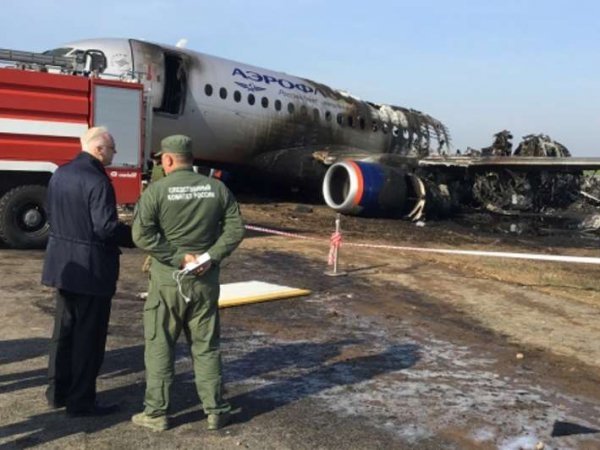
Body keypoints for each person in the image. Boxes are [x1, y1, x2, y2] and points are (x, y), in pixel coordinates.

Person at [131, 135, 244, 432]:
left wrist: (179, 258)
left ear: (168, 160)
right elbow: (235, 229)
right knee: (206, 347)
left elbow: (141, 236)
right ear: (190, 158)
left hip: (168, 283)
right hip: (204, 281)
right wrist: (210, 256)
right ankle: (216, 410)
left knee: (160, 346)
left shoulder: (156, 191)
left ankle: (156, 413)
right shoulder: (217, 189)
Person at [42, 126, 133, 417]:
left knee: (63, 332)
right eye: (112, 148)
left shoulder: (60, 174)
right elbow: (105, 228)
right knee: (88, 338)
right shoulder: (98, 180)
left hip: (63, 266)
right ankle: (81, 401)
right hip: (92, 270)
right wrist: (134, 236)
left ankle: (58, 392)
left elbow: (52, 212)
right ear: (98, 149)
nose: (114, 153)